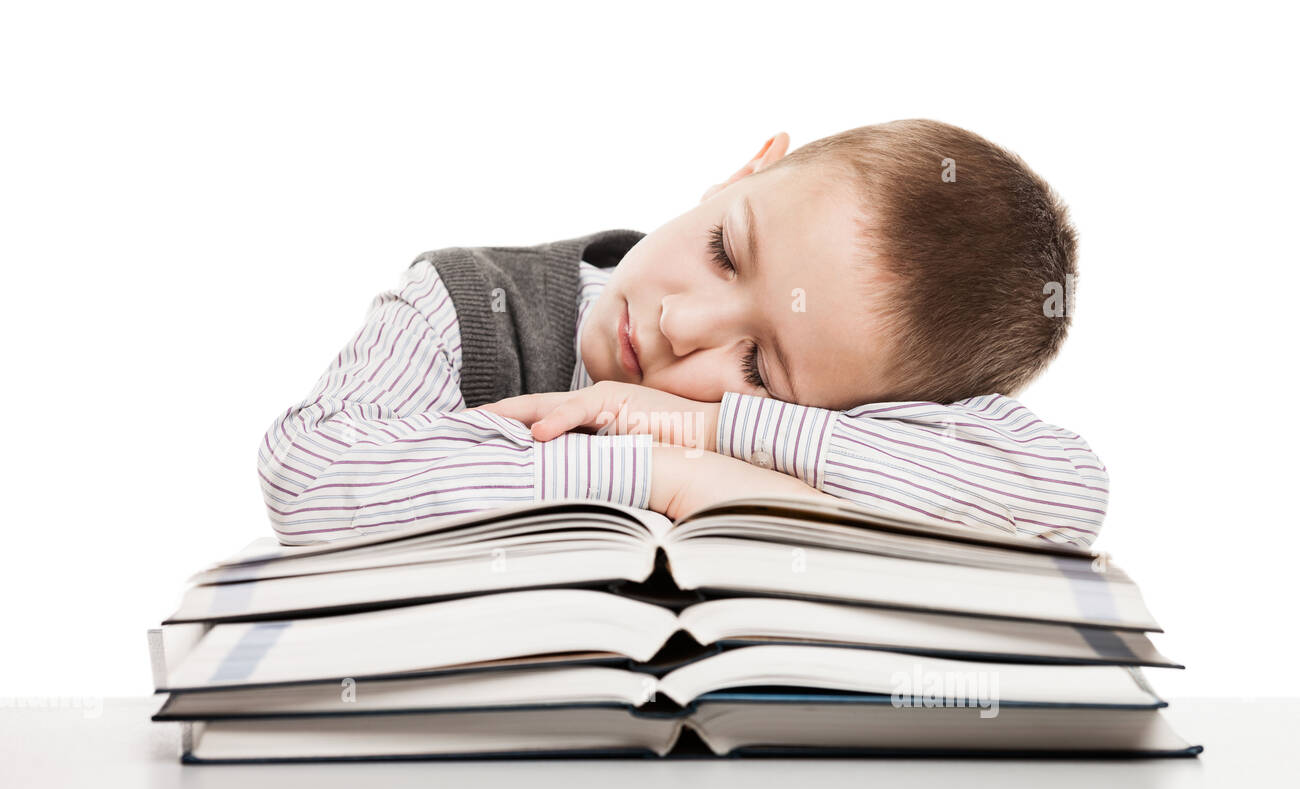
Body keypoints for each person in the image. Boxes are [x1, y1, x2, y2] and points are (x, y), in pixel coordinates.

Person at [258, 120, 1106, 546]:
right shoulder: (466, 303)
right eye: (725, 252)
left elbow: (1066, 491)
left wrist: (704, 431)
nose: (680, 323)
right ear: (743, 173)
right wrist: (656, 470)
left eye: (760, 367)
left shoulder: (841, 417)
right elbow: (313, 472)